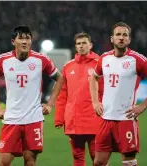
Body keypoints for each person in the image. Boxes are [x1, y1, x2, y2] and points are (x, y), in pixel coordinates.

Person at [89, 22, 147, 166]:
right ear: (112, 39)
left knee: (128, 162)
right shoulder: (104, 58)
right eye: (118, 34)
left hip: (126, 119)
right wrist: (95, 101)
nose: (121, 38)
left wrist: (142, 106)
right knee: (98, 162)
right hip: (105, 118)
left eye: (125, 35)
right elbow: (93, 77)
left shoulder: (137, 59)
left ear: (129, 40)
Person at [0, 25, 63, 166]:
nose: (24, 42)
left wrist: (50, 104)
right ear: (13, 41)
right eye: (21, 38)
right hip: (12, 119)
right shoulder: (3, 60)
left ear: (31, 41)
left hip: (33, 118)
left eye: (27, 38)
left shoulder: (41, 59)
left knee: (30, 161)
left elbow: (60, 78)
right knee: (3, 161)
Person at [55, 32, 103, 166]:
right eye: (78, 44)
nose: (81, 46)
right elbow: (62, 94)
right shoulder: (68, 66)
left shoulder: (100, 64)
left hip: (95, 118)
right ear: (75, 47)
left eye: (84, 43)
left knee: (98, 158)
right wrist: (59, 118)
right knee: (77, 157)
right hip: (74, 120)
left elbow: (106, 91)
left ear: (90, 45)